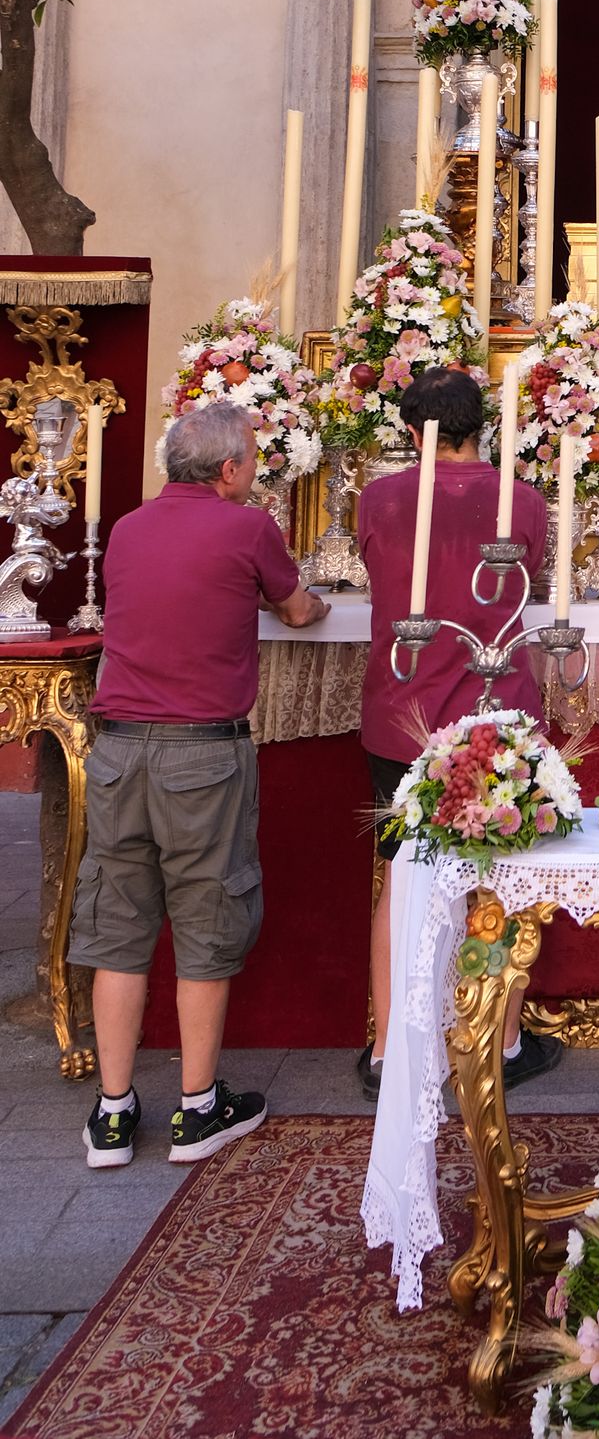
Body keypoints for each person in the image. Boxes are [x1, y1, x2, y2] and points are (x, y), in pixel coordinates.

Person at [68, 400, 329, 1169]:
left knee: (119, 919)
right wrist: (298, 600)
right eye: (251, 458)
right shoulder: (246, 527)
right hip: (199, 755)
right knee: (205, 914)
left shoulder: (126, 527)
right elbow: (298, 605)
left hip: (116, 750)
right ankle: (197, 1107)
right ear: (228, 470)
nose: (254, 469)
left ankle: (112, 1115)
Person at [356, 366, 560, 1097]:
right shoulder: (524, 501)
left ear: (414, 432)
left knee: (401, 875)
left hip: (402, 711)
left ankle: (388, 1048)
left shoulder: (380, 496)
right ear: (482, 428)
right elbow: (526, 576)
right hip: (494, 710)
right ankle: (500, 1042)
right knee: (495, 878)